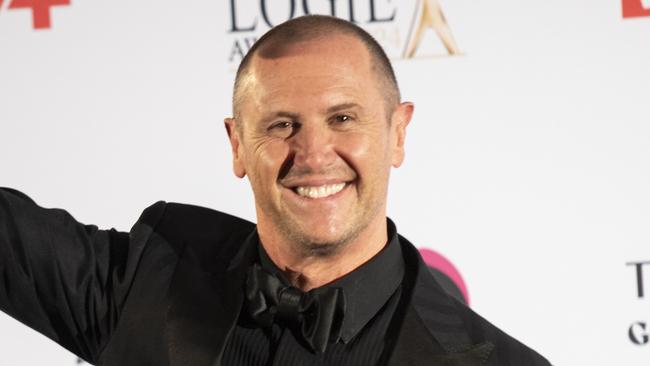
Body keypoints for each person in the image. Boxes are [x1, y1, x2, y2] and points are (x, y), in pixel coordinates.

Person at [0, 15, 551, 366]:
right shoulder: (153, 275)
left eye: (342, 118)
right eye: (281, 125)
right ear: (237, 145)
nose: (313, 156)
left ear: (398, 133)